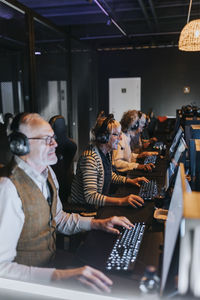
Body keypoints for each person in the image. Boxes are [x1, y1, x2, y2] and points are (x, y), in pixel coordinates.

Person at [0, 112, 135, 293]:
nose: (56, 143)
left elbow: (59, 219)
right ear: (22, 145)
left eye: (53, 138)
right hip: (26, 287)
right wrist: (59, 276)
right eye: (47, 139)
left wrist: (98, 224)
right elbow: (2, 270)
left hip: (50, 264)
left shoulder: (47, 173)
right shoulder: (8, 189)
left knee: (111, 280)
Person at [70, 111, 148, 208]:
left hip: (98, 203)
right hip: (84, 208)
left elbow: (108, 174)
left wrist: (129, 181)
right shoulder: (90, 158)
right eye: (116, 134)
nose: (120, 138)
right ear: (103, 137)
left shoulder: (106, 153)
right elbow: (90, 197)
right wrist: (121, 201)